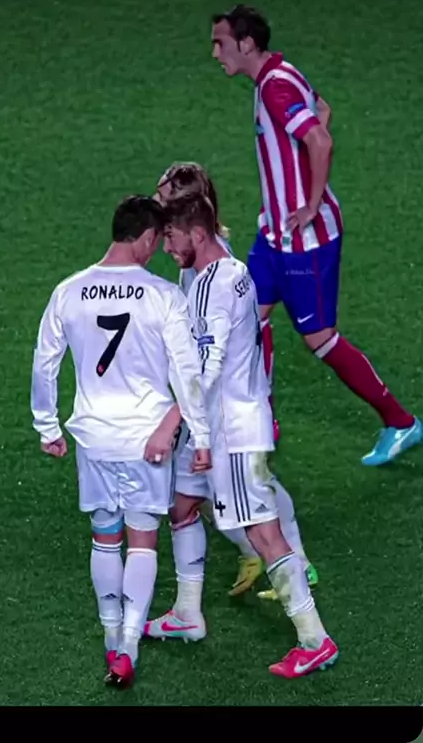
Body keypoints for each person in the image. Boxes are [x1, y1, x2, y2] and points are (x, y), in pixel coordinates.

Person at [210, 3, 422, 466]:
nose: (215, 53)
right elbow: (322, 109)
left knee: (320, 338)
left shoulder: (275, 88)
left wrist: (309, 202)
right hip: (274, 234)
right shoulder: (280, 72)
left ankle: (401, 422)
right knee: (248, 316)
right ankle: (262, 419)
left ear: (246, 43)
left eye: (220, 44)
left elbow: (320, 139)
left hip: (305, 242)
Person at [146, 194, 338, 677]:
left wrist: (177, 426)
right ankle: (187, 614)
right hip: (223, 422)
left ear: (197, 233)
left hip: (230, 431)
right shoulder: (227, 272)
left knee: (262, 533)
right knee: (182, 505)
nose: (167, 248)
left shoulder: (213, 286)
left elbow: (205, 369)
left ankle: (314, 639)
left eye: (170, 237)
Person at [30, 195, 212, 689]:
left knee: (104, 536)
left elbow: (45, 362)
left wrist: (48, 426)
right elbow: (187, 373)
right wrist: (200, 433)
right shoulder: (162, 296)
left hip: (94, 438)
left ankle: (111, 637)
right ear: (147, 237)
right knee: (142, 539)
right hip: (146, 441)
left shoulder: (69, 291)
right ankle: (129, 644)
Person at [153, 161, 318, 602]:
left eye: (162, 198)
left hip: (231, 394)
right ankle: (246, 563)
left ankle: (293, 564)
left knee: (252, 481)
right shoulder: (197, 255)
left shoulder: (209, 266)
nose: (156, 206)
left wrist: (178, 413)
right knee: (192, 493)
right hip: (220, 393)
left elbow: (214, 351)